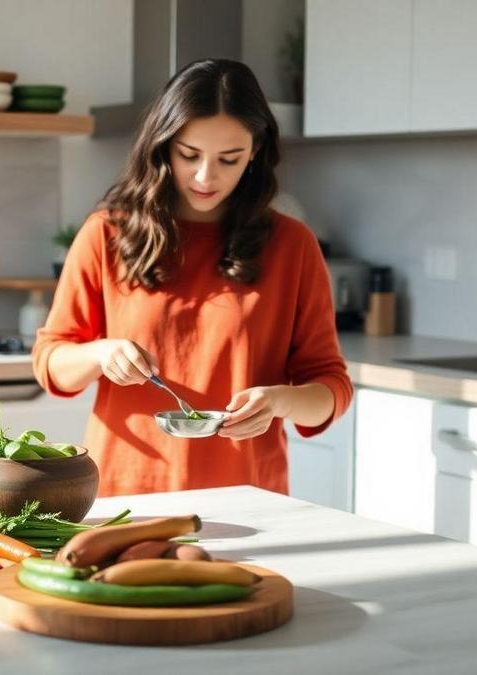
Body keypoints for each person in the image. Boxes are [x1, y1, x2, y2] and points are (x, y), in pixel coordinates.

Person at [32, 59, 352, 497]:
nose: (206, 176)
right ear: (164, 146)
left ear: (255, 150)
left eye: (228, 158)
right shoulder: (107, 233)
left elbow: (331, 387)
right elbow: (51, 364)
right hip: (125, 498)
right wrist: (101, 354)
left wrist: (280, 401)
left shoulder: (292, 245)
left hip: (250, 500)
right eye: (189, 155)